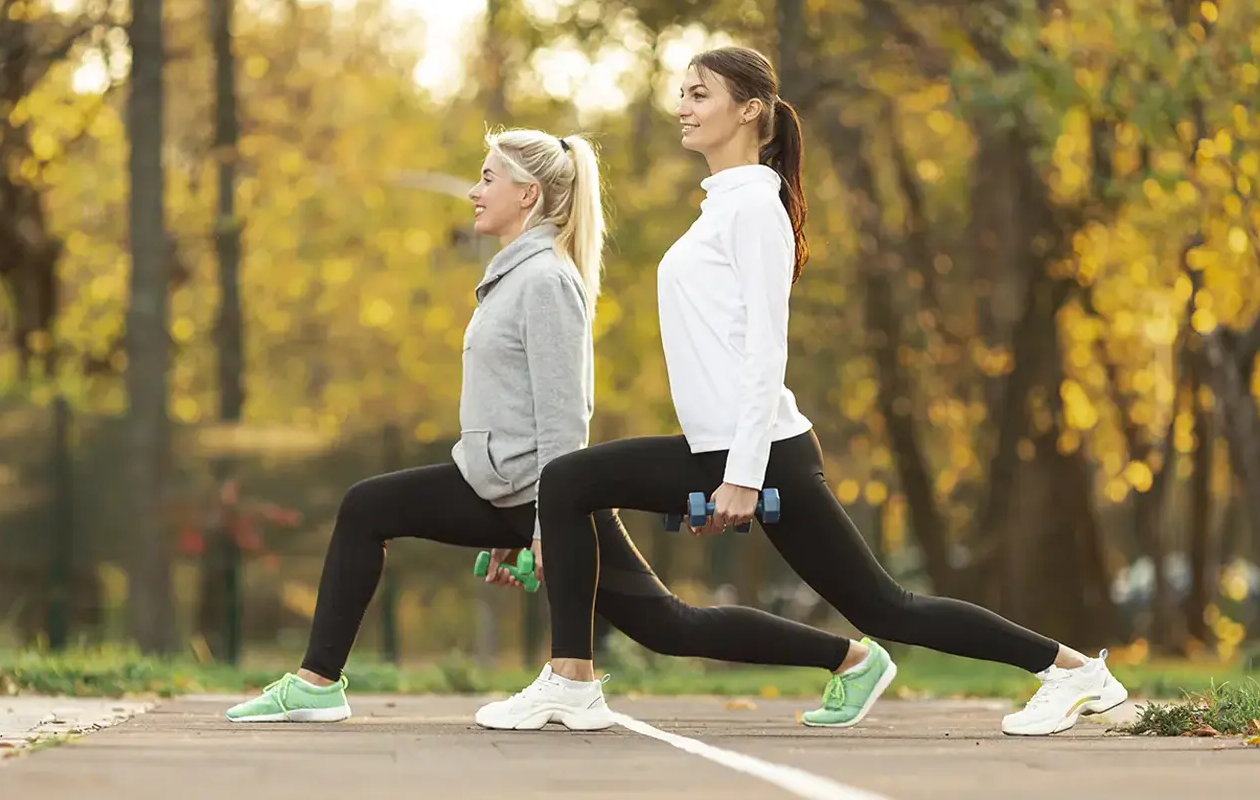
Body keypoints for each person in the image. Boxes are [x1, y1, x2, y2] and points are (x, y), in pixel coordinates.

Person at [474, 47, 1129, 738]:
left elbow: (765, 349)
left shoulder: (756, 208)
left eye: (699, 95)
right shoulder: (724, 205)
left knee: (887, 608)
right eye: (682, 94)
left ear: (749, 109)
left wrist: (743, 477)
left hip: (762, 451)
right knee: (569, 481)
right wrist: (722, 468)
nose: (682, 108)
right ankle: (571, 679)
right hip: (720, 447)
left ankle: (1073, 671)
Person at [224, 126, 883, 725]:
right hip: (499, 486)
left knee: (670, 627)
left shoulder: (545, 281)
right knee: (370, 509)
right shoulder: (514, 274)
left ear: (528, 193)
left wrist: (544, 524)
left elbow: (567, 417)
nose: (475, 192)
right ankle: (317, 683)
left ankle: (850, 659)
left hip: (536, 492)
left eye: (488, 177)